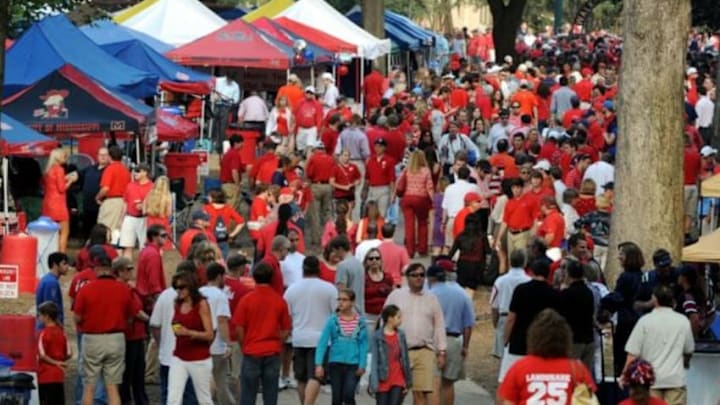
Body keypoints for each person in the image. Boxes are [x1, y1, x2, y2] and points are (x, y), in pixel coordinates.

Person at [73, 248, 136, 405]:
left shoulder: (86, 290)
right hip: (116, 339)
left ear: (97, 269)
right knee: (112, 387)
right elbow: (131, 316)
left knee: (89, 386)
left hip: (92, 339)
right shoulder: (123, 289)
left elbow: (77, 317)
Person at [498, 308, 596, 403]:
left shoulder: (519, 367)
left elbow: (508, 402)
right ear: (566, 338)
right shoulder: (577, 369)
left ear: (533, 337)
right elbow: (588, 399)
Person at [384, 263, 447, 405]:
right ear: (407, 278)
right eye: (414, 275)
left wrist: (442, 351)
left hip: (424, 350)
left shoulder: (431, 298)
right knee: (396, 393)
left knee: (420, 394)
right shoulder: (396, 295)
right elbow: (384, 320)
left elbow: (439, 325)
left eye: (421, 275)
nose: (419, 278)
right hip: (399, 351)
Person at [623, 285, 694, 405]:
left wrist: (625, 375)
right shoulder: (683, 321)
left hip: (651, 383)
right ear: (672, 301)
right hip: (675, 381)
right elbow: (689, 350)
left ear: (654, 299)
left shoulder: (644, 321)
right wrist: (685, 363)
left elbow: (632, 353)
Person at [234, 262, 292, 405]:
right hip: (272, 350)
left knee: (248, 394)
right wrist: (278, 342)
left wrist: (244, 344)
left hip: (252, 350)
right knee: (270, 394)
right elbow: (286, 328)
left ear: (254, 277)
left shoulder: (247, 300)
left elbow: (239, 327)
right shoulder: (279, 300)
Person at [283, 256, 338, 405]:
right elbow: (336, 314)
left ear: (303, 270)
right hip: (321, 339)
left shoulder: (292, 289)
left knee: (301, 377)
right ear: (319, 269)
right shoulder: (329, 289)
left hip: (299, 337)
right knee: (316, 376)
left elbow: (286, 315)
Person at [500, 260, 559, 382]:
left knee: (510, 379)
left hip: (518, 340)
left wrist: (506, 338)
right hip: (541, 343)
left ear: (532, 272)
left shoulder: (521, 290)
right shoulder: (553, 294)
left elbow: (512, 317)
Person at [149, 261, 199, 405]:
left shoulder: (165, 295)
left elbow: (155, 324)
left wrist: (161, 344)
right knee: (190, 396)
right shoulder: (196, 296)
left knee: (169, 395)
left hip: (168, 356)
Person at [426, 262, 475, 405]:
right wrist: (465, 346)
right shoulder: (462, 294)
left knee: (433, 383)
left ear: (431, 279)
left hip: (433, 340)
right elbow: (468, 325)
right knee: (448, 384)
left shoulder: (429, 295)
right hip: (454, 341)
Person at [166, 270, 215, 405]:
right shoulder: (177, 304)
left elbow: (209, 334)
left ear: (191, 286)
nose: (179, 291)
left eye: (182, 287)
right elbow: (175, 322)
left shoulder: (202, 304)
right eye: (176, 287)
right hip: (179, 356)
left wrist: (189, 333)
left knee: (204, 399)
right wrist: (177, 329)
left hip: (199, 358)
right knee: (173, 399)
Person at [315, 289, 369, 405]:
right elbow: (322, 342)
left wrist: (362, 364)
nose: (340, 302)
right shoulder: (332, 320)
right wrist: (319, 364)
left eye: (344, 300)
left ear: (352, 302)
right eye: (339, 299)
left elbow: (363, 344)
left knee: (348, 394)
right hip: (335, 363)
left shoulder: (361, 322)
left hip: (353, 364)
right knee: (336, 398)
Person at [114, 257, 149, 405]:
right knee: (129, 373)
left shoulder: (129, 288)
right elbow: (135, 311)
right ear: (120, 271)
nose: (131, 271)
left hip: (136, 335)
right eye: (128, 269)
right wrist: (149, 319)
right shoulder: (122, 289)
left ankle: (136, 399)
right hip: (130, 336)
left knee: (137, 373)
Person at [199, 263, 234, 405]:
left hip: (200, 342)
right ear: (219, 276)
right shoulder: (220, 296)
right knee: (220, 381)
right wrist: (228, 343)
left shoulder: (199, 292)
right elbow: (221, 320)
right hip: (216, 345)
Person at [490, 249, 531, 359]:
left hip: (504, 317)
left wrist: (496, 323)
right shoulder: (529, 281)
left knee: (503, 358)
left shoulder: (500, 281)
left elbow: (494, 306)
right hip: (524, 321)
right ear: (525, 262)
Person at [368, 304, 412, 405]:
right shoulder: (377, 336)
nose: (401, 320)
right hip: (383, 378)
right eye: (398, 317)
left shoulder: (401, 335)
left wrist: (408, 381)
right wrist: (374, 383)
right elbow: (374, 361)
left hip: (398, 378)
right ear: (390, 318)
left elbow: (405, 358)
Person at [558, 260, 596, 374]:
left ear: (568, 274)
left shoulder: (567, 294)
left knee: (570, 375)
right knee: (584, 376)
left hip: (573, 340)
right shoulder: (589, 292)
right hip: (589, 339)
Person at [399, 150, 434, 258]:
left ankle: (410, 251)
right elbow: (429, 187)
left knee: (409, 225)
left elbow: (400, 185)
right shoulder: (426, 171)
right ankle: (422, 249)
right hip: (421, 199)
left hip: (408, 198)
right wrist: (433, 201)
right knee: (423, 223)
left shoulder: (407, 170)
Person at [42, 148, 77, 252]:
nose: (65, 159)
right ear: (59, 158)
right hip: (59, 205)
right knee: (64, 232)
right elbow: (61, 189)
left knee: (52, 233)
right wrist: (70, 181)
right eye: (64, 156)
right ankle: (61, 256)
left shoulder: (48, 170)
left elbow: (50, 185)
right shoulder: (59, 169)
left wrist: (64, 178)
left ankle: (51, 253)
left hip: (48, 204)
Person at [37, 301, 71, 405]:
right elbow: (69, 353)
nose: (38, 317)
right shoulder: (62, 332)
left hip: (45, 377)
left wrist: (55, 362)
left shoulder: (43, 334)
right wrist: (60, 361)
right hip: (58, 376)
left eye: (40, 315)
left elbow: (42, 355)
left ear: (46, 316)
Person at [96, 145, 131, 240]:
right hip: (123, 202)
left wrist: (98, 197)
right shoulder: (125, 170)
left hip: (111, 201)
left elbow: (105, 188)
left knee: (105, 229)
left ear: (110, 156)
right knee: (117, 231)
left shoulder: (110, 169)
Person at [118, 164, 153, 258]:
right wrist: (121, 219)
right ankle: (127, 268)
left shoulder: (152, 187)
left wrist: (145, 207)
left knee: (144, 246)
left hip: (145, 218)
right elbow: (125, 203)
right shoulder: (130, 185)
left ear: (145, 173)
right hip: (129, 217)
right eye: (134, 171)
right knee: (127, 245)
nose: (135, 173)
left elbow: (155, 205)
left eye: (138, 171)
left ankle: (143, 267)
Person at [449, 214, 489, 294]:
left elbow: (451, 253)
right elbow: (488, 252)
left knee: (461, 291)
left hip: (462, 267)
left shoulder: (461, 236)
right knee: (471, 291)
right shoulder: (482, 236)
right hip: (477, 268)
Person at [204, 188, 245, 258]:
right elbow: (241, 222)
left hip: (209, 239)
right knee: (222, 262)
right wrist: (232, 235)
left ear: (213, 198)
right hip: (223, 239)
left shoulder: (206, 208)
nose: (208, 198)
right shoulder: (228, 208)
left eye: (209, 196)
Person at [331, 235, 366, 316]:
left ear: (340, 249)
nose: (334, 254)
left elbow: (341, 290)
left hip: (348, 312)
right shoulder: (359, 264)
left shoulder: (342, 266)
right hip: (360, 310)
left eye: (334, 251)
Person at [136, 224, 167, 314]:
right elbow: (153, 280)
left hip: (144, 296)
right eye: (163, 236)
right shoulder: (153, 254)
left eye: (166, 235)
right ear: (154, 237)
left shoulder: (147, 250)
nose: (165, 238)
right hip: (150, 298)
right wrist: (158, 298)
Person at [677, 265, 713, 339]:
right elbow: (711, 314)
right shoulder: (700, 293)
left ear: (684, 278)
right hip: (703, 337)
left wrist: (693, 337)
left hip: (693, 339)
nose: (677, 278)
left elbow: (694, 319)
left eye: (679, 275)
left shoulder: (687, 296)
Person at [363, 138, 396, 218]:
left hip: (384, 189)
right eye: (376, 146)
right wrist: (364, 190)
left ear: (384, 148)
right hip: (372, 189)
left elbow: (392, 178)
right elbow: (367, 177)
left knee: (382, 213)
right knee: (370, 213)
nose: (377, 148)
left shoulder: (389, 160)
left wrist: (392, 194)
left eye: (380, 146)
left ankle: (380, 229)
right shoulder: (370, 160)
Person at [81, 147, 110, 237]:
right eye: (101, 155)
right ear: (97, 156)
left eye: (105, 155)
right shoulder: (90, 168)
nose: (103, 157)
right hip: (88, 205)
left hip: (101, 205)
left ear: (109, 156)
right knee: (87, 229)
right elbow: (78, 174)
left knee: (99, 231)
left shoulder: (110, 170)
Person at [36, 252, 69, 327]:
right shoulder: (51, 282)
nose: (67, 267)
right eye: (64, 264)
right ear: (55, 265)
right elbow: (50, 311)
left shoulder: (48, 279)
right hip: (49, 328)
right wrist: (59, 326)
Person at [363, 248, 394, 327]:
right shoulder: (363, 278)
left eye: (377, 258)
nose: (374, 260)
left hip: (386, 317)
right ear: (366, 261)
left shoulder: (388, 277)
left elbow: (393, 295)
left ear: (381, 261)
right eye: (371, 258)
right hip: (368, 318)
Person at [212, 73, 240, 154]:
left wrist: (229, 100)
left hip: (226, 107)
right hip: (216, 105)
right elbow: (213, 90)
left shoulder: (235, 85)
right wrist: (215, 96)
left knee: (223, 128)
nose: (230, 80)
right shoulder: (218, 80)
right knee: (213, 126)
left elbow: (236, 99)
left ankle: (219, 147)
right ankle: (212, 143)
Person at [377, 224, 410, 288]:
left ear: (382, 233)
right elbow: (406, 268)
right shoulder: (401, 250)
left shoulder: (377, 250)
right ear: (393, 233)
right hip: (396, 283)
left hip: (381, 283)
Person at [144, 175, 173, 250]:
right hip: (162, 221)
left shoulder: (150, 194)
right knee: (161, 243)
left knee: (151, 242)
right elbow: (169, 213)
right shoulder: (167, 197)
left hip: (151, 219)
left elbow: (144, 209)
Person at [331, 149, 362, 214]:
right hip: (339, 194)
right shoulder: (335, 168)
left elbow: (358, 178)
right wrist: (344, 187)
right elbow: (331, 182)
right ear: (341, 156)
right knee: (340, 214)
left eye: (348, 155)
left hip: (350, 194)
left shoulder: (354, 166)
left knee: (349, 214)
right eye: (345, 155)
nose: (347, 157)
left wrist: (355, 183)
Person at [294, 86, 324, 153]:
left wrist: (318, 130)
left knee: (310, 146)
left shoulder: (317, 104)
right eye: (308, 92)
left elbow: (319, 118)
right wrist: (296, 128)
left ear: (313, 94)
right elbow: (295, 115)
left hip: (311, 129)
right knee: (300, 147)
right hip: (301, 128)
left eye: (311, 93)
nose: (309, 94)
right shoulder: (300, 102)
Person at [220, 135, 245, 212]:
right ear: (236, 143)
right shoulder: (235, 154)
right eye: (241, 143)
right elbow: (234, 171)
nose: (243, 144)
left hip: (224, 184)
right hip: (231, 185)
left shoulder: (227, 153)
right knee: (231, 210)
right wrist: (237, 184)